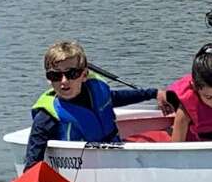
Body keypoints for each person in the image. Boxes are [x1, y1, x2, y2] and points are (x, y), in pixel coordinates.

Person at [24, 40, 166, 168]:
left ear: (84, 75)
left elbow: (115, 98)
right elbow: (32, 164)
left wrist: (153, 93)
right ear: (48, 79)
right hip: (81, 168)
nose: (64, 81)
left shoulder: (96, 92)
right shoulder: (46, 117)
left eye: (72, 74)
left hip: (116, 155)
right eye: (55, 75)